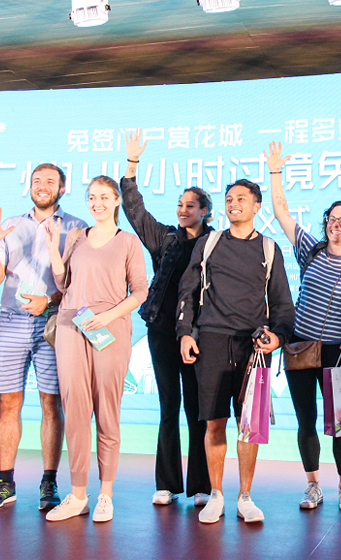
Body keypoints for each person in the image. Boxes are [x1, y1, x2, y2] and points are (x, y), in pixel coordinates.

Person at [176, 179, 296, 524]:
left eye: (241, 199)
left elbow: (283, 305)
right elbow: (188, 292)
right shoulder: (209, 243)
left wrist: (278, 338)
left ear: (257, 206)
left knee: (250, 426)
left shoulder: (269, 249)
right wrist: (185, 334)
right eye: (229, 199)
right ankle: (216, 494)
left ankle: (245, 496)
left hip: (254, 348)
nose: (233, 204)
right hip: (212, 341)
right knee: (214, 422)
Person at [0, 163, 87, 512]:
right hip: (10, 322)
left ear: (62, 188)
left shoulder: (77, 228)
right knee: (8, 403)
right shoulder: (9, 225)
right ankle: (5, 482)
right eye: (37, 180)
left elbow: (79, 283)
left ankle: (49, 482)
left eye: (50, 181)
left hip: (53, 324)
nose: (42, 186)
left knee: (51, 404)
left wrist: (50, 300)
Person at [265, 141, 341, 512]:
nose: (336, 225)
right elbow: (281, 211)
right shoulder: (311, 249)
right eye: (331, 219)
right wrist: (276, 171)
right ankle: (312, 486)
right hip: (300, 346)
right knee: (306, 420)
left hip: (339, 351)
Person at [43, 176, 149, 522]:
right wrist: (53, 251)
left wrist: (108, 316)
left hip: (109, 328)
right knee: (75, 410)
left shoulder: (128, 242)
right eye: (91, 197)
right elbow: (64, 284)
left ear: (117, 200)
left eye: (104, 197)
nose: (97, 203)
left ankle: (105, 494)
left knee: (107, 411)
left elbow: (140, 291)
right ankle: (77, 495)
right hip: (71, 325)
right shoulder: (76, 237)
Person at [120, 129, 212, 507]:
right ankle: (168, 484)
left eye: (191, 205)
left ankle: (202, 485)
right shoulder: (167, 239)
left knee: (198, 410)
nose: (183, 209)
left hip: (199, 336)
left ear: (205, 211)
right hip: (162, 331)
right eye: (179, 204)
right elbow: (135, 211)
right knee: (168, 407)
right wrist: (132, 163)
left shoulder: (215, 243)